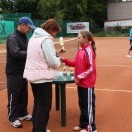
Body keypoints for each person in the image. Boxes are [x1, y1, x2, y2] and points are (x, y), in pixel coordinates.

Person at [23, 19, 61, 132]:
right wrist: (58, 61)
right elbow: (52, 61)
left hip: (34, 77)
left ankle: (37, 129)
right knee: (44, 106)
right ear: (50, 30)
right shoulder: (46, 40)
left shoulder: (33, 39)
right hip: (43, 78)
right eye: (55, 32)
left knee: (38, 104)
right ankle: (40, 129)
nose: (55, 34)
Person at [61, 30, 97, 132]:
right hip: (81, 83)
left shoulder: (89, 51)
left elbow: (91, 68)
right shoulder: (81, 50)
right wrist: (65, 61)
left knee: (88, 106)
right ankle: (83, 124)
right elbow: (75, 63)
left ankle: (91, 128)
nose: (77, 39)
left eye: (79, 37)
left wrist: (79, 76)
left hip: (87, 83)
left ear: (85, 39)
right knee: (82, 104)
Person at [5, 16, 36, 128]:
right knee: (14, 94)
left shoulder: (24, 37)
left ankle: (22, 114)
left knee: (23, 93)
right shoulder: (13, 37)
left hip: (23, 70)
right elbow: (16, 53)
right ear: (23, 25)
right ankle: (12, 117)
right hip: (13, 72)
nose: (29, 30)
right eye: (28, 27)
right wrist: (31, 53)